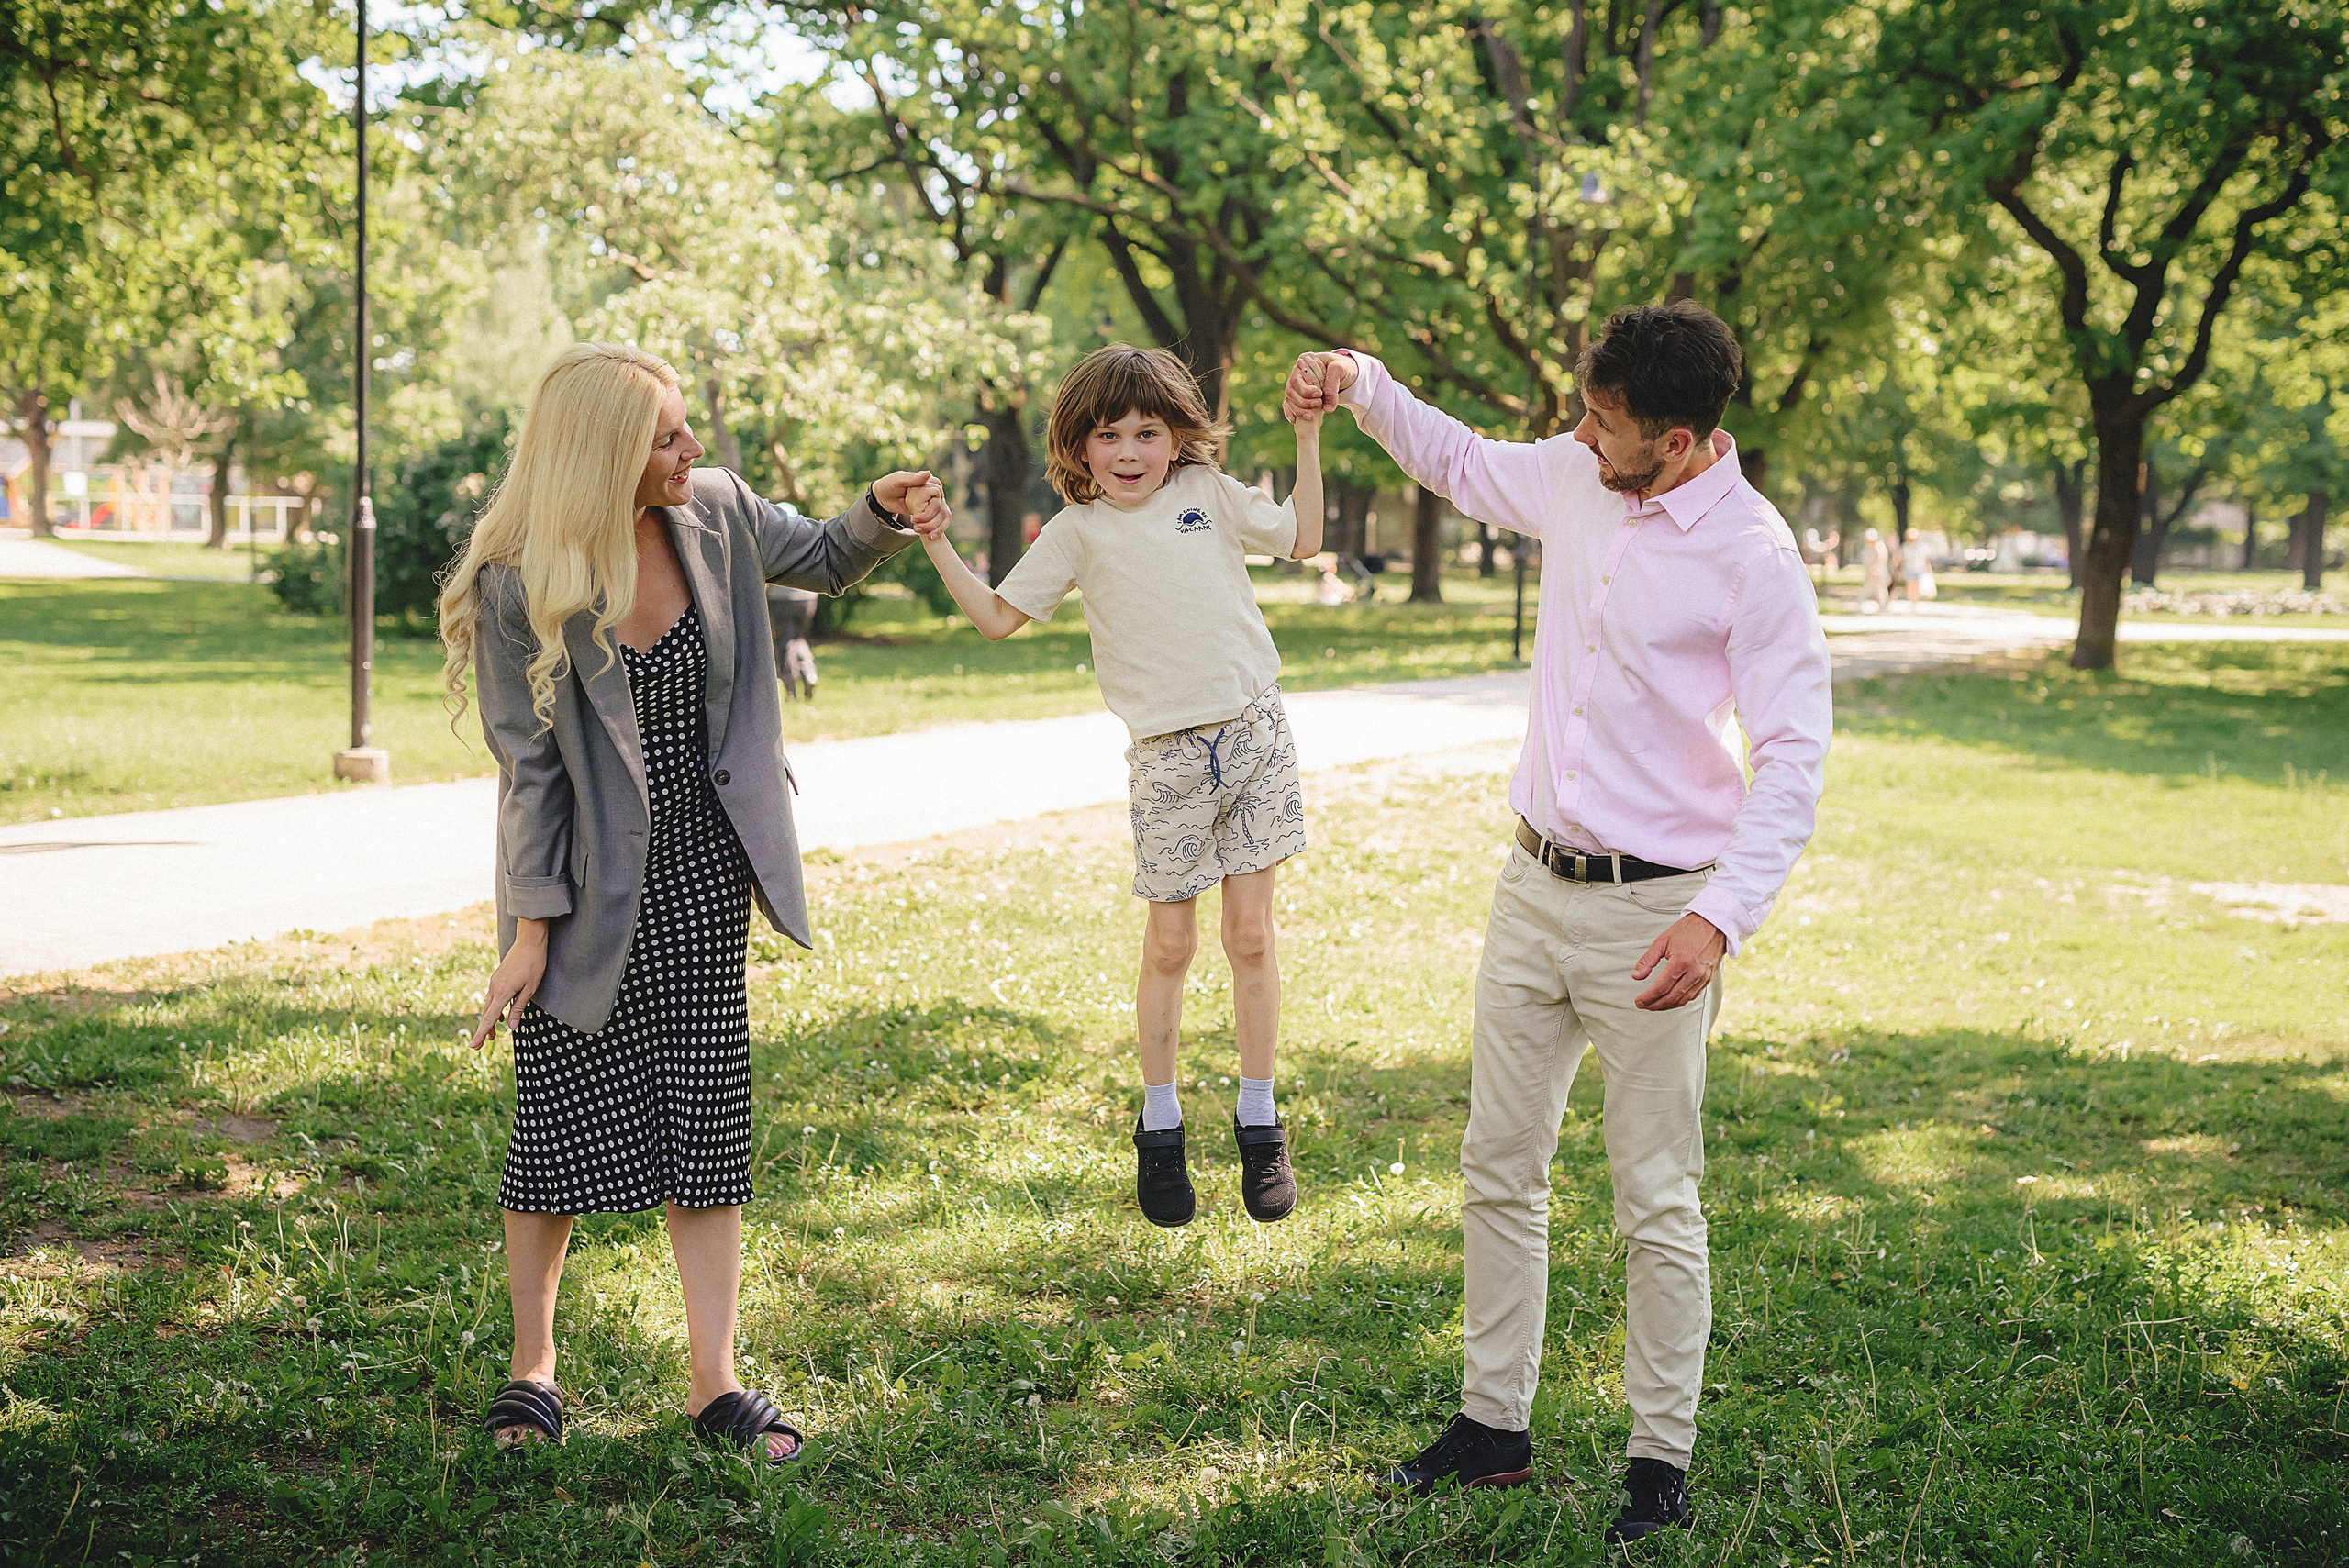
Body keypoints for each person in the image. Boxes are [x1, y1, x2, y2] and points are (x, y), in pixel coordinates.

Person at [1285, 302, 1831, 1546]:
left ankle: (1658, 1461)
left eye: (1606, 420)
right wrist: (1360, 379)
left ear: (1681, 438)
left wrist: (1720, 922)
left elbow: (1793, 756)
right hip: (1531, 890)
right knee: (1500, 1167)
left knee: (1655, 1199)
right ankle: (1492, 1428)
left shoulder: (1752, 553)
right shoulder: (1581, 478)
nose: (1581, 435)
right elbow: (1462, 461)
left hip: (1658, 913)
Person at [435, 342, 945, 1462]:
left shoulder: (711, 512)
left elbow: (822, 554)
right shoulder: (519, 581)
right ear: (603, 453)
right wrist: (529, 931)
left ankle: (714, 1379)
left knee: (705, 1123)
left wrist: (881, 506)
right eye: (668, 435)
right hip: (586, 890)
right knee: (557, 1125)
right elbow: (530, 771)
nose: (692, 450)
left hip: (708, 877)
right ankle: (534, 1369)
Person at [907, 344, 1324, 1228]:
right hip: (1167, 757)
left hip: (1254, 734)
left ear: (1178, 437)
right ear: (1079, 445)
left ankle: (1258, 1117)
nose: (1130, 451)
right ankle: (1162, 1121)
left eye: (1147, 431)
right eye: (1109, 435)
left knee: (1250, 934)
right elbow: (994, 618)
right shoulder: (1077, 531)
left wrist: (1308, 435)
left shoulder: (1206, 496)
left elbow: (1305, 538)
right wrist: (938, 540)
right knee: (1171, 945)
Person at [765, 583, 820, 699]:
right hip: (808, 596)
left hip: (781, 598)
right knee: (799, 638)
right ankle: (810, 674)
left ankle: (790, 688)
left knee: (786, 641)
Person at [1860, 527, 1892, 613]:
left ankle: (1883, 608)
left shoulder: (1879, 547)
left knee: (1881, 590)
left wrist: (1876, 569)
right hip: (1870, 573)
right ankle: (1860, 605)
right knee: (1867, 589)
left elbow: (1882, 559)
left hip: (1879, 573)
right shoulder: (1867, 548)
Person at [1900, 526, 1933, 604]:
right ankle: (1912, 601)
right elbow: (1901, 559)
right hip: (1909, 569)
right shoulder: (1905, 547)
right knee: (1911, 586)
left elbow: (1925, 559)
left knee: (1918, 587)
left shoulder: (1921, 547)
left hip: (1919, 569)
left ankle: (1915, 600)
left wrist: (1928, 568)